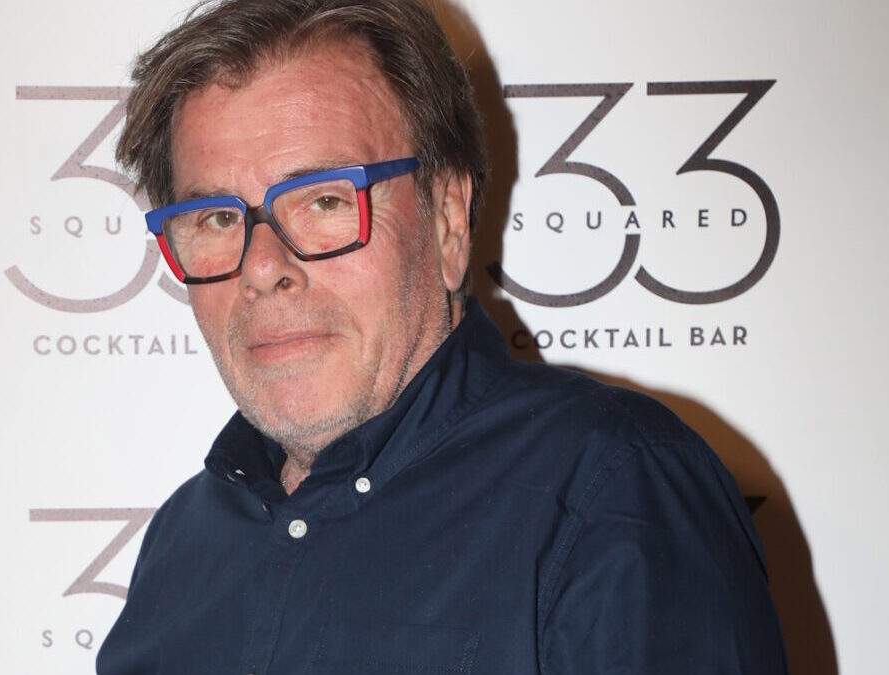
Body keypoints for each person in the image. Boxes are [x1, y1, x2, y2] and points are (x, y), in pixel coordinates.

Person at [97, 0, 788, 672]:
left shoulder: (612, 490)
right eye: (217, 219)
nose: (262, 267)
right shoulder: (183, 544)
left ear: (449, 219)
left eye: (326, 200)